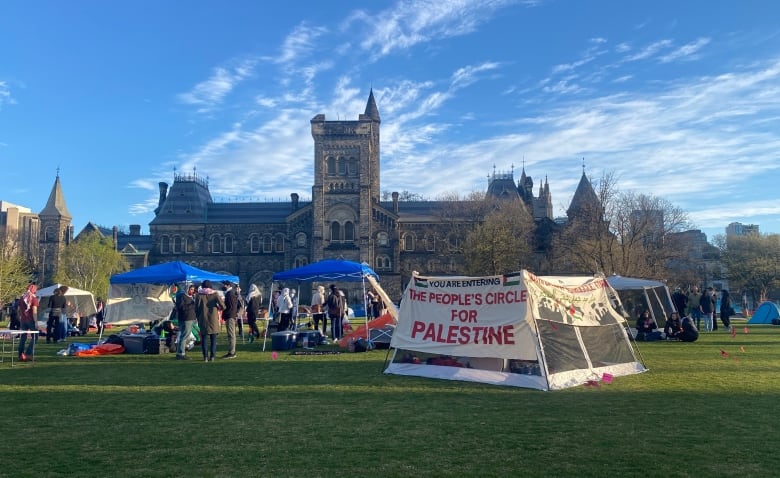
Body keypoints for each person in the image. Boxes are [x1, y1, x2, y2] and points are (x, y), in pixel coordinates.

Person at [195, 280, 225, 362]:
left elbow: (196, 309)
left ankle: (205, 357)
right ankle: (212, 357)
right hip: (213, 319)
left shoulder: (198, 295)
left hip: (203, 319)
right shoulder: (215, 294)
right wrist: (218, 308)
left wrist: (198, 317)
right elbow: (223, 306)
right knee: (213, 339)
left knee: (204, 339)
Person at [174, 284, 197, 360]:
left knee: (184, 336)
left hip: (190, 318)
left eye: (193, 289)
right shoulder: (182, 296)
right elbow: (181, 307)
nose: (192, 291)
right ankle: (181, 353)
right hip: (186, 318)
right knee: (184, 336)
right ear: (187, 289)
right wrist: (191, 305)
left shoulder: (191, 297)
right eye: (191, 289)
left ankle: (179, 353)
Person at [17, 283, 39, 361]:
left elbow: (19, 310)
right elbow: (34, 311)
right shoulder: (34, 299)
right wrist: (36, 322)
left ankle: (20, 354)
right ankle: (28, 354)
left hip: (23, 320)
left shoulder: (22, 298)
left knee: (23, 337)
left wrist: (20, 317)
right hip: (31, 320)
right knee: (35, 337)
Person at [221, 281, 240, 359]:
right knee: (231, 334)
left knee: (231, 335)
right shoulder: (230, 293)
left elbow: (231, 307)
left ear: (228, 285)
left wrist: (225, 313)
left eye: (224, 285)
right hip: (230, 315)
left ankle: (232, 352)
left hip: (230, 316)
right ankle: (231, 351)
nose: (223, 286)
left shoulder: (230, 294)